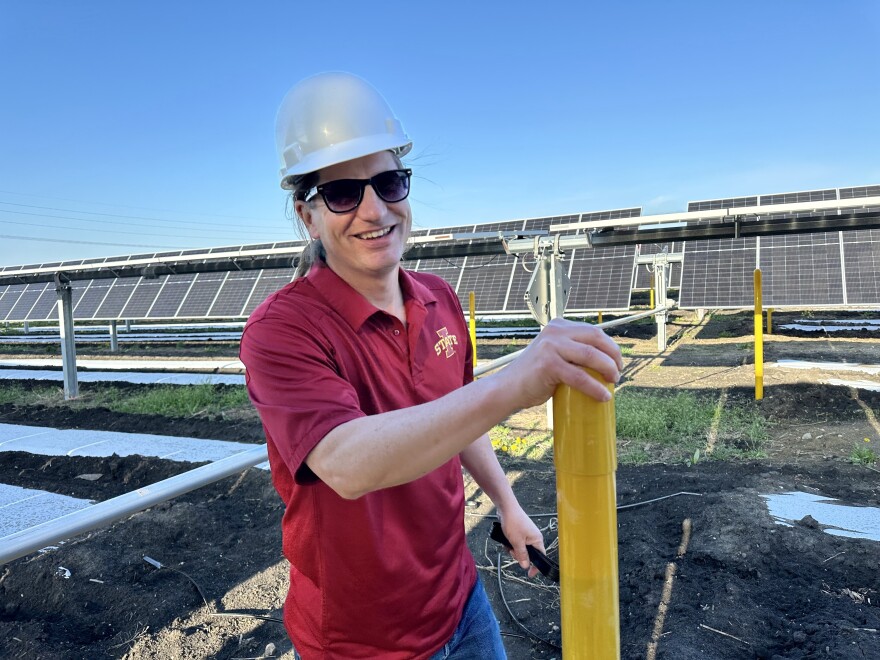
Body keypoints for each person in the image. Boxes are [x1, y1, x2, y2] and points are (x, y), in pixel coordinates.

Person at [239, 71, 623, 659]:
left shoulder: (439, 298)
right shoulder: (282, 330)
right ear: (308, 215)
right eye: (343, 193)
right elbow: (346, 462)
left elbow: (457, 418)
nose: (374, 210)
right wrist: (517, 381)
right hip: (361, 641)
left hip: (460, 604)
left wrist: (507, 503)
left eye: (389, 182)